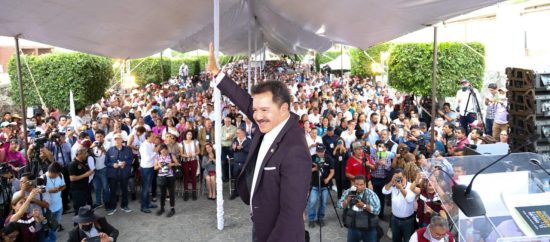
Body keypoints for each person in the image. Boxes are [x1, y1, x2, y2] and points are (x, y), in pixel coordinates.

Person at [209, 43, 311, 241]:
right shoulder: (272, 121)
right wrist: (216, 73)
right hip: (261, 222)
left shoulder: (295, 150)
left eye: (264, 110)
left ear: (284, 109)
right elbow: (244, 101)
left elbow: (290, 217)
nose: (257, 116)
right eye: (255, 110)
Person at [338, 175, 380, 242]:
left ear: (365, 184)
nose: (359, 187)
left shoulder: (371, 194)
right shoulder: (347, 192)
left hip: (368, 229)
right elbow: (339, 205)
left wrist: (364, 206)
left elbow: (377, 210)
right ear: (353, 184)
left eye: (361, 184)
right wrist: (347, 200)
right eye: (357, 184)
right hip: (353, 228)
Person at [383, 168, 416, 242]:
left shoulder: (411, 186)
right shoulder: (393, 185)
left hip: (408, 221)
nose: (398, 180)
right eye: (396, 178)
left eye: (400, 178)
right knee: (395, 239)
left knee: (408, 240)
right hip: (394, 219)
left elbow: (410, 199)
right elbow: (384, 191)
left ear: (405, 177)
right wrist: (391, 182)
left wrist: (401, 188)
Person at [307, 144, 334, 228]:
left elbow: (332, 171)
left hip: (324, 185)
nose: (320, 153)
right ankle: (311, 219)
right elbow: (306, 170)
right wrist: (315, 169)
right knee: (312, 202)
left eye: (322, 152)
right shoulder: (312, 158)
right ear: (316, 151)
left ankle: (320, 218)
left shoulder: (329, 158)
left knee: (323, 203)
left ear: (324, 151)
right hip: (314, 185)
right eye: (318, 152)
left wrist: (328, 179)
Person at [104, 134, 133, 215]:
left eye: (118, 139)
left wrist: (125, 162)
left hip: (124, 174)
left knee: (124, 190)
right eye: (115, 139)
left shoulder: (128, 149)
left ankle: (124, 206)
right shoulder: (110, 150)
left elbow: (131, 160)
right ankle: (112, 207)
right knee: (113, 191)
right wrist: (113, 165)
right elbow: (106, 162)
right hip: (113, 174)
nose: (117, 140)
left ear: (122, 140)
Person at [154, 144, 178, 217]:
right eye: (162, 152)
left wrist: (171, 164)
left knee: (171, 193)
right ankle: (162, 208)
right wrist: (159, 166)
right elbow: (154, 168)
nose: (163, 153)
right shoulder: (157, 157)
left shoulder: (171, 155)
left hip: (170, 176)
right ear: (160, 151)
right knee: (162, 194)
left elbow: (177, 163)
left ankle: (172, 209)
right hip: (161, 177)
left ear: (167, 150)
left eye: (165, 151)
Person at [68, 148, 94, 216]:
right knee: (79, 209)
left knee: (85, 206)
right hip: (77, 190)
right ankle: (77, 225)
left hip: (85, 187)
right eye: (85, 153)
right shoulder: (73, 164)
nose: (86, 155)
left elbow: (87, 171)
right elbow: (72, 178)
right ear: (80, 154)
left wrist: (90, 172)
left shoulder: (84, 162)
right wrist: (85, 175)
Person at [138, 131, 158, 213]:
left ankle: (148, 203)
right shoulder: (143, 146)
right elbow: (147, 158)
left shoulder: (152, 144)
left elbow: (154, 156)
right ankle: (143, 206)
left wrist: (155, 152)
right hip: (146, 168)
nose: (154, 137)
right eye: (153, 136)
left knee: (148, 187)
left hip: (151, 167)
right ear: (148, 137)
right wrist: (155, 151)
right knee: (145, 188)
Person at [44, 162, 65, 237]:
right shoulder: (42, 178)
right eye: (55, 175)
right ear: (50, 172)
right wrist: (50, 191)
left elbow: (64, 186)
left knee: (55, 227)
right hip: (49, 209)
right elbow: (38, 192)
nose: (56, 176)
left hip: (59, 206)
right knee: (49, 229)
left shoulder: (60, 175)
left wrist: (58, 189)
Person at [229, 128, 250, 200]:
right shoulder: (235, 140)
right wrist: (233, 148)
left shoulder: (248, 141)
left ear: (243, 133)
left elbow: (250, 151)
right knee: (236, 178)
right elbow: (231, 150)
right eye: (237, 133)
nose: (237, 134)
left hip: (245, 163)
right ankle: (235, 192)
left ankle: (245, 193)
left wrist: (242, 148)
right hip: (236, 163)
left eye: (239, 133)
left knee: (245, 179)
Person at [91, 130, 109, 210]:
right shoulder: (93, 144)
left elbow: (109, 155)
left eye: (100, 136)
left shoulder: (108, 144)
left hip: (104, 169)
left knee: (105, 187)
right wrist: (91, 147)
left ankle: (107, 202)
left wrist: (103, 149)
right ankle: (98, 203)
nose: (99, 138)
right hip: (95, 170)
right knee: (97, 188)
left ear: (103, 136)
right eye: (97, 137)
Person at [181, 130, 199, 201]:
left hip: (193, 160)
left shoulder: (195, 142)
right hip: (185, 161)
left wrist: (193, 154)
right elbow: (181, 154)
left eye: (191, 134)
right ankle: (186, 193)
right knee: (186, 177)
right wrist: (187, 155)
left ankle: (194, 192)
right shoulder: (181, 143)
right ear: (185, 135)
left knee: (194, 176)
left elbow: (198, 151)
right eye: (188, 134)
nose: (189, 136)